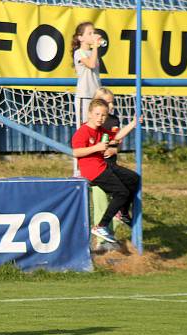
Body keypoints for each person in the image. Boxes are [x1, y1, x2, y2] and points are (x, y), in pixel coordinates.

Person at [71, 99, 139, 244]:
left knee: (133, 178)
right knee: (122, 193)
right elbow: (76, 152)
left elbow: (117, 137)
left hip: (103, 165)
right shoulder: (83, 131)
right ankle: (100, 226)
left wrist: (133, 124)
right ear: (89, 114)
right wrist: (96, 148)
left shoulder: (101, 131)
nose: (100, 118)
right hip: (93, 171)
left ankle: (123, 212)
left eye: (103, 115)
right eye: (97, 114)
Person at [72, 22, 103, 127]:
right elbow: (91, 64)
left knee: (95, 128)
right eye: (89, 33)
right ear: (80, 38)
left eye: (94, 32)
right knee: (83, 128)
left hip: (96, 95)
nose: (93, 35)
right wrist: (95, 46)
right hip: (84, 95)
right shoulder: (79, 52)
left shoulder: (93, 52)